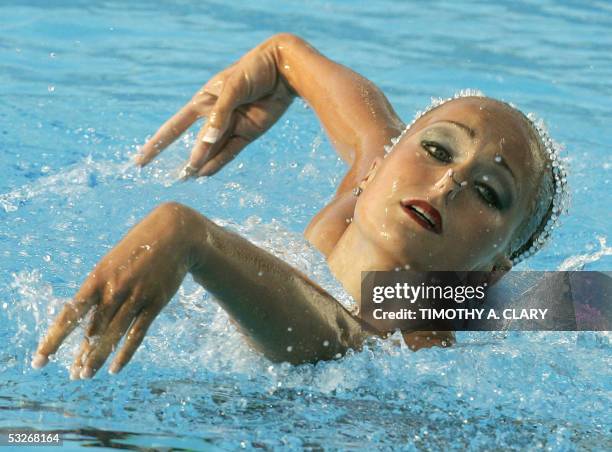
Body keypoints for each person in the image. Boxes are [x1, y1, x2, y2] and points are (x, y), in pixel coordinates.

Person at [31, 33, 568, 379]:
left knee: (583, 303)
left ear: (494, 269)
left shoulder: (418, 329)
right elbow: (356, 107)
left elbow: (335, 337)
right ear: (382, 163)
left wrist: (191, 237)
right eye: (435, 148)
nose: (449, 181)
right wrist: (278, 58)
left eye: (489, 192)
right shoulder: (363, 192)